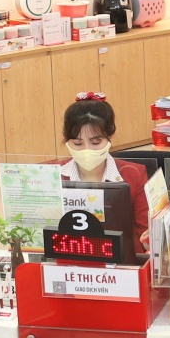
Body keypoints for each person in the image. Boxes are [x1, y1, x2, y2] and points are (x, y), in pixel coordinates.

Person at [60, 94, 150, 250]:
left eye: (95, 142)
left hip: (120, 257)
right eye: (78, 143)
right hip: (67, 255)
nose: (87, 150)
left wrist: (151, 239)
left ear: (110, 137)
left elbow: (147, 233)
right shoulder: (52, 174)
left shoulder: (134, 175)